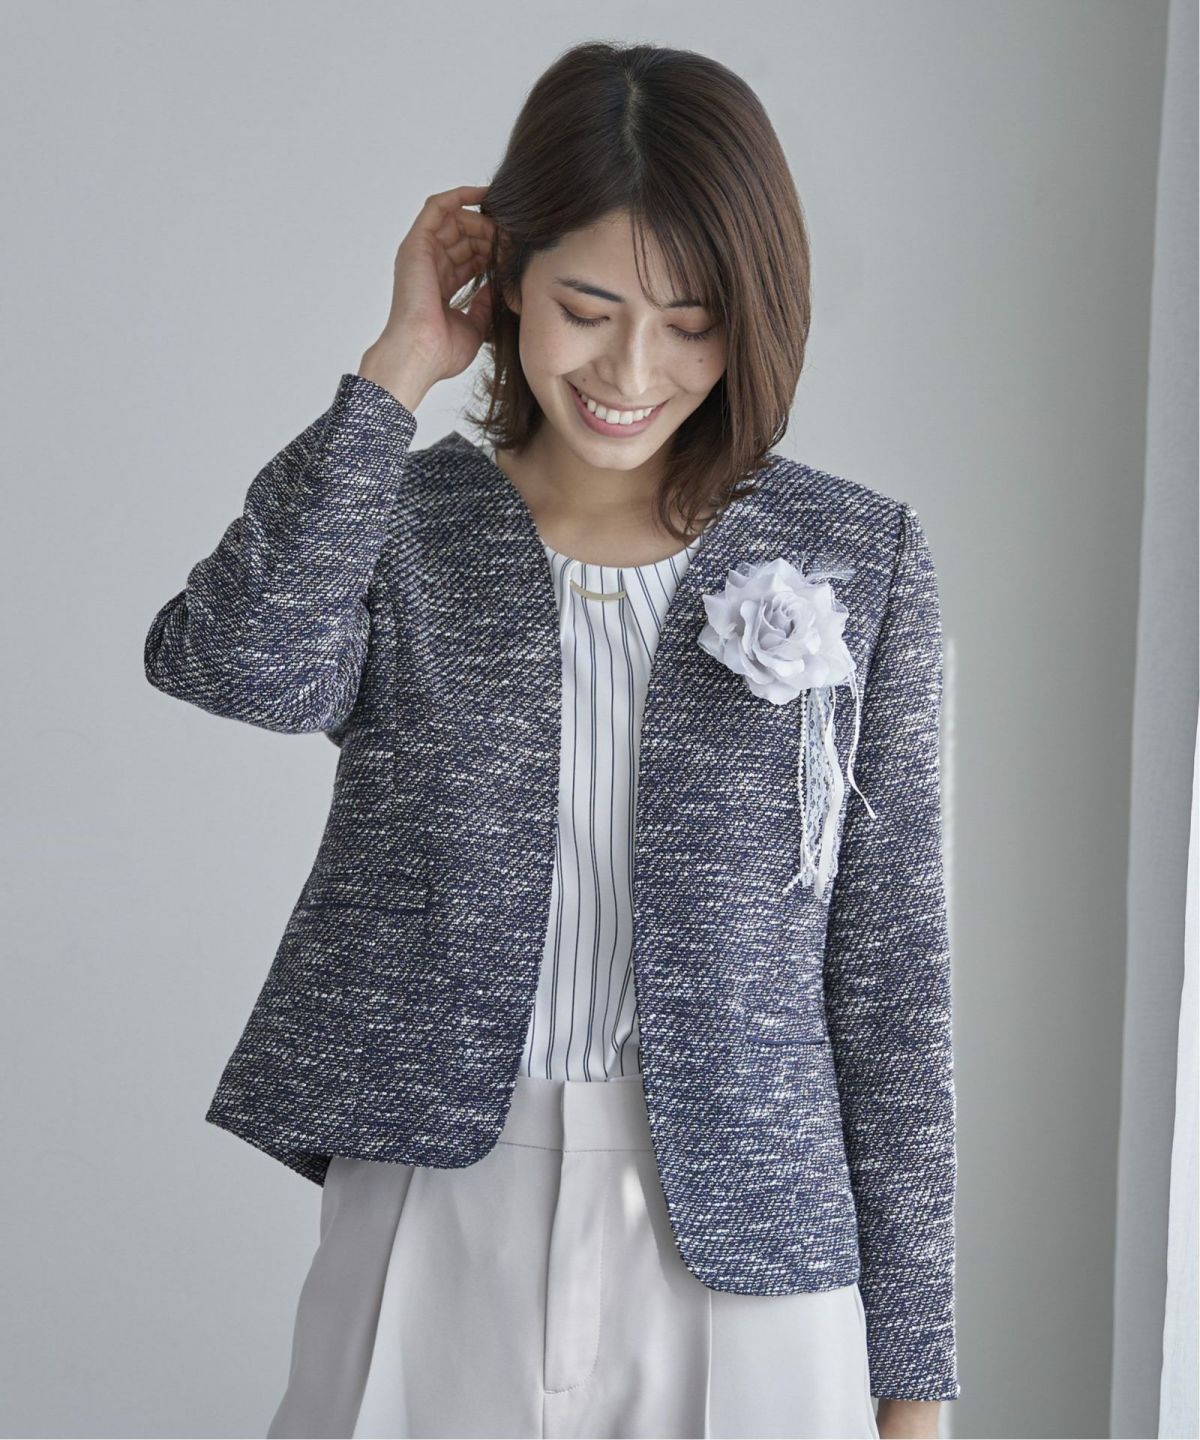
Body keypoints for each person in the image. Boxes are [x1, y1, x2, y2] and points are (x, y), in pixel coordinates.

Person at [144, 40, 957, 1440]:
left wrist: (915, 1385)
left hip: (754, 1243)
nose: (632, 369)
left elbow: (892, 984)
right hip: (434, 1200)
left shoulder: (854, 556)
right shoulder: (401, 527)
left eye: (692, 323)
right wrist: (398, 367)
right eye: (588, 307)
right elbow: (231, 660)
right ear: (510, 274)